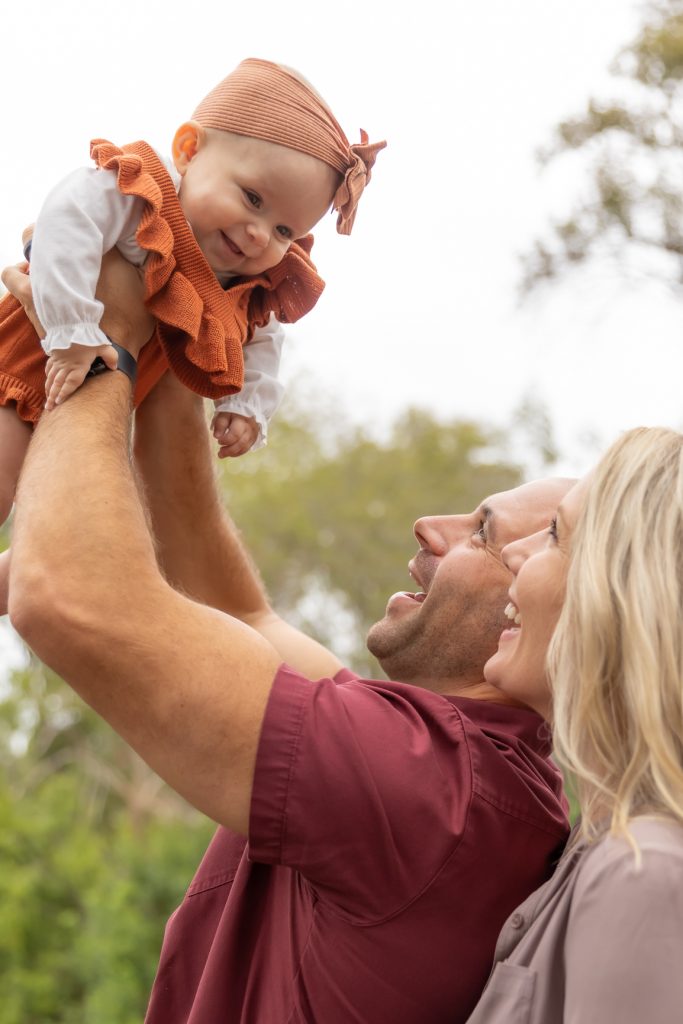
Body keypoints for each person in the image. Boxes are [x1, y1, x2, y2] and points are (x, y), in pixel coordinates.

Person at [3, 255, 570, 1024]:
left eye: (480, 531)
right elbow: (236, 612)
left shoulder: (435, 793)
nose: (428, 526)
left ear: (552, 593)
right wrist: (175, 331)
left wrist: (93, 344)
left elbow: (66, 595)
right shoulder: (445, 758)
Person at [0, 57, 385, 548]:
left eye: (285, 230)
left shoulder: (243, 278)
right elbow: (67, 217)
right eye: (252, 198)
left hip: (101, 414)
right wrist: (71, 330)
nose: (258, 234)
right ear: (188, 150)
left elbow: (263, 334)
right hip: (23, 370)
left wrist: (247, 405)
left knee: (70, 540)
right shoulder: (146, 198)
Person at [466, 426, 683, 1023]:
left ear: (622, 596)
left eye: (555, 534)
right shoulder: (601, 842)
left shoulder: (646, 874)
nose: (514, 551)